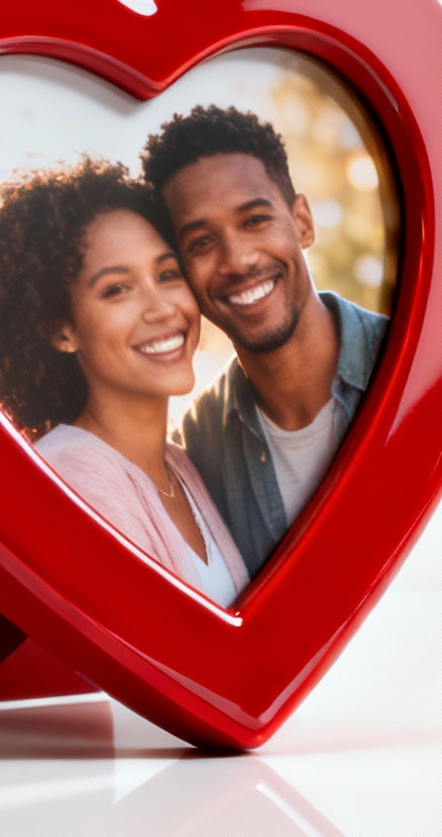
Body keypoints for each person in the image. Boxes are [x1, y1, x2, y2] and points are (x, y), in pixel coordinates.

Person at [0, 157, 250, 608]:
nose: (162, 308)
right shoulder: (71, 480)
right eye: (117, 289)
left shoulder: (180, 468)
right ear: (61, 331)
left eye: (167, 275)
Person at [141, 106, 390, 577]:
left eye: (255, 220)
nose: (237, 260)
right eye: (201, 243)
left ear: (302, 222)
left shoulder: (406, 358)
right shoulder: (199, 446)